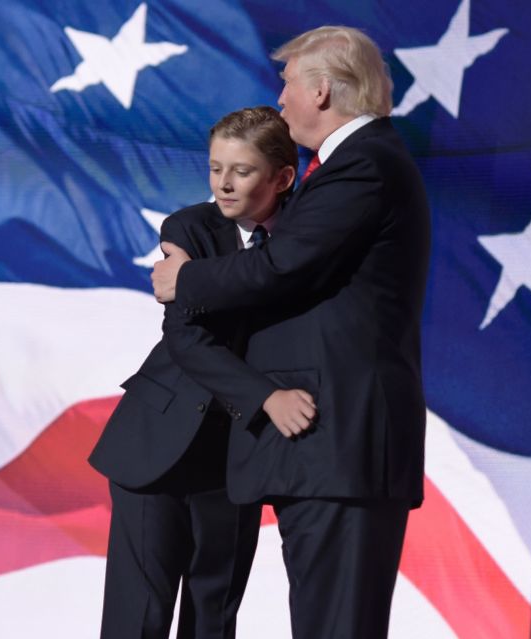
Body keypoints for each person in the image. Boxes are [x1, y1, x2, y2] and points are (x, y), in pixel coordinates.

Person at [152, 26, 431, 638]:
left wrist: (187, 280)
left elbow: (284, 265)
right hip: (323, 450)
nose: (280, 103)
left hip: (342, 445)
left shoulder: (366, 165)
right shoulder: (348, 167)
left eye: (287, 87)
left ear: (323, 90)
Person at [90, 106, 315, 639]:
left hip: (236, 459)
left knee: (214, 617)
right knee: (137, 617)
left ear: (283, 178)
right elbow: (186, 338)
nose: (224, 183)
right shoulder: (189, 226)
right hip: (156, 450)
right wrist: (267, 399)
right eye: (216, 168)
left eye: (242, 170)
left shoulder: (307, 240)